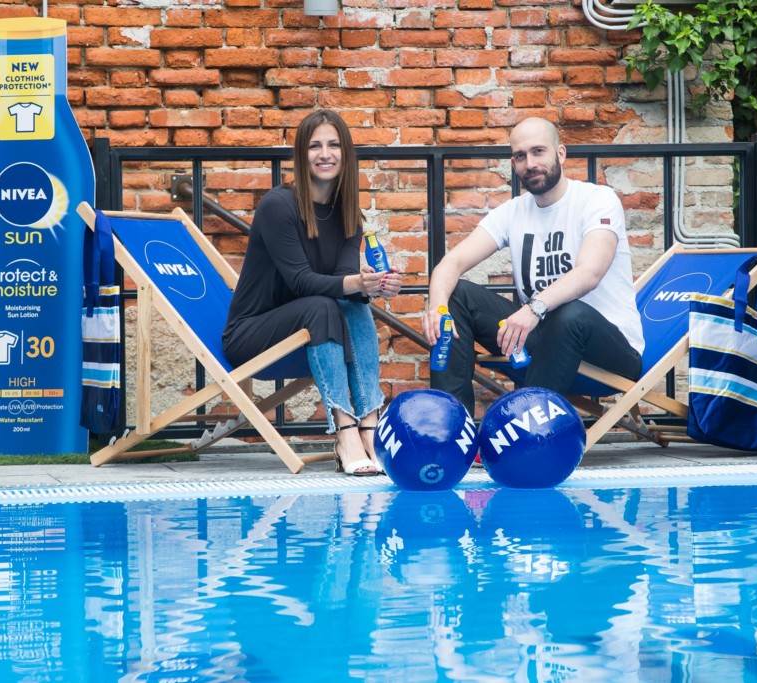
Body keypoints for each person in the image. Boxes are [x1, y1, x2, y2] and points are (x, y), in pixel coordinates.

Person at [422, 117, 644, 415]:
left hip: (609, 353)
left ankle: (529, 426)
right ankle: (453, 424)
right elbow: (452, 262)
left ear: (560, 154)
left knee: (569, 312)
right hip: (543, 343)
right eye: (520, 156)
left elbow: (590, 272)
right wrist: (438, 309)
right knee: (456, 295)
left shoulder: (597, 200)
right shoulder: (513, 212)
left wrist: (533, 309)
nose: (530, 164)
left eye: (538, 151)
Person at [223, 110, 403, 476]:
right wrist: (355, 283)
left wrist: (373, 285)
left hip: (312, 334)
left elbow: (342, 282)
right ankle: (345, 432)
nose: (325, 154)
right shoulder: (278, 206)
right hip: (253, 335)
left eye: (334, 145)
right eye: (314, 146)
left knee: (354, 306)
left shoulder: (347, 213)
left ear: (346, 153)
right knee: (323, 305)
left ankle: (370, 425)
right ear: (301, 155)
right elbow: (301, 282)